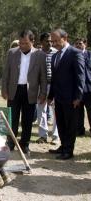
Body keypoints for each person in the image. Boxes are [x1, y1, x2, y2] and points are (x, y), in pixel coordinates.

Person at [1, 30, 47, 154]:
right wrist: (4, 89)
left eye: (25, 43)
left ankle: (24, 144)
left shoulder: (40, 55)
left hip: (30, 91)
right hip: (14, 90)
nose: (22, 46)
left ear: (32, 41)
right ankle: (10, 142)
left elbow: (43, 77)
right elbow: (6, 73)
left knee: (27, 120)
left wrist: (43, 93)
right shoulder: (12, 53)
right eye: (20, 43)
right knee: (12, 119)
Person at [48, 29, 85, 160]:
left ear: (65, 38)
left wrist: (78, 97)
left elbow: (81, 76)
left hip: (71, 98)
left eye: (57, 41)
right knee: (61, 124)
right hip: (58, 97)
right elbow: (54, 79)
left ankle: (69, 150)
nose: (54, 44)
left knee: (70, 125)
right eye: (52, 41)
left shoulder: (75, 53)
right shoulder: (54, 56)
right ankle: (63, 146)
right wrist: (50, 96)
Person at [35, 33, 59, 144]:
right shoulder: (37, 54)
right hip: (40, 86)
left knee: (55, 111)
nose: (49, 43)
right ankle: (42, 135)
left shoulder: (56, 52)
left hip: (53, 85)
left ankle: (56, 136)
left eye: (50, 41)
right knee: (41, 111)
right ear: (41, 42)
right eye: (46, 41)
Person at [74, 38, 91, 136]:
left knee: (90, 110)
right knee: (78, 112)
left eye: (80, 43)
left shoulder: (89, 54)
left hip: (89, 88)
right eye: (76, 44)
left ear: (85, 44)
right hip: (77, 88)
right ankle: (79, 130)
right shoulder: (74, 55)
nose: (78, 45)